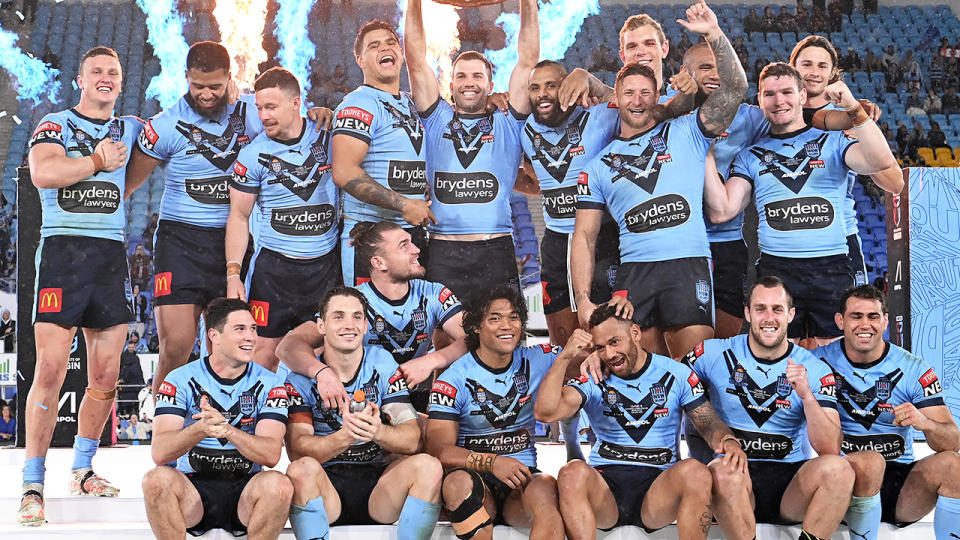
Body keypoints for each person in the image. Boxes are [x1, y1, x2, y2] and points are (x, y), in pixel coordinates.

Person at [572, 0, 747, 359]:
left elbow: (735, 89)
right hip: (633, 272)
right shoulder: (597, 166)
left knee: (699, 376)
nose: (637, 101)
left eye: (645, 93)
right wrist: (584, 299)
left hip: (689, 266)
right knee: (638, 374)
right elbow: (584, 237)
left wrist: (714, 34)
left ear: (657, 97)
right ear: (614, 99)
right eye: (628, 93)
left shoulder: (689, 129)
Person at [20, 46, 144, 526]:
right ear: (80, 80)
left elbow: (161, 146)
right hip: (62, 253)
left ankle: (83, 468)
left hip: (110, 255)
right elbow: (43, 172)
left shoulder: (130, 128)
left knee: (107, 375)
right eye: (96, 71)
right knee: (50, 368)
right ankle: (33, 482)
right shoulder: (55, 123)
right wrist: (94, 161)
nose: (105, 78)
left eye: (113, 71)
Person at [704, 66, 900, 348]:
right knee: (780, 360)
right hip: (778, 270)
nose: (778, 101)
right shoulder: (749, 155)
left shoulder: (833, 140)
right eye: (769, 94)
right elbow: (722, 211)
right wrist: (706, 152)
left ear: (802, 96)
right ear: (760, 100)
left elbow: (880, 163)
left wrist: (854, 109)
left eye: (786, 92)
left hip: (831, 266)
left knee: (835, 358)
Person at [535, 304, 753, 539]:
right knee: (571, 472)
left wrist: (727, 440)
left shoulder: (676, 374)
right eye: (600, 347)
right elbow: (545, 413)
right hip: (606, 490)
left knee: (696, 472)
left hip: (658, 490)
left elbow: (708, 423)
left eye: (615, 342)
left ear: (635, 334)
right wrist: (565, 357)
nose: (609, 354)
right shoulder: (594, 376)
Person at [125, 41, 265, 400]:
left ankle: (223, 431)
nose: (206, 94)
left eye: (215, 87)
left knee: (230, 350)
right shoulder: (165, 125)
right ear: (186, 77)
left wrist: (319, 113)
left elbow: (297, 128)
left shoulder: (255, 114)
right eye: (198, 86)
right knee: (177, 346)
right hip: (180, 241)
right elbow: (127, 185)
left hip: (235, 241)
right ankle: (164, 437)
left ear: (229, 78)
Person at [682, 276, 855, 540]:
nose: (769, 318)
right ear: (748, 313)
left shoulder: (815, 368)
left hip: (791, 486)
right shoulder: (712, 353)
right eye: (760, 309)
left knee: (840, 469)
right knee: (723, 470)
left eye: (777, 309)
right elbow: (659, 377)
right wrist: (600, 361)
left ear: (790, 315)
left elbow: (830, 449)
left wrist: (807, 396)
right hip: (734, 481)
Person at [283, 287, 443, 540]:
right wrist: (345, 436)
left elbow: (412, 439)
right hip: (325, 488)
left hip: (378, 489)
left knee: (428, 466)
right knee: (301, 470)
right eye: (339, 317)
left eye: (357, 317)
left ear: (367, 325)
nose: (350, 325)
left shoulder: (382, 363)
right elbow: (297, 451)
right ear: (321, 326)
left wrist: (377, 431)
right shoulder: (300, 379)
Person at [405, 0, 539, 299]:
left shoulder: (508, 121)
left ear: (491, 84)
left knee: (502, 338)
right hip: (443, 250)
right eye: (462, 76)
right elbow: (415, 60)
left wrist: (527, 2)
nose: (469, 83)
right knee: (442, 339)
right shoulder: (436, 116)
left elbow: (528, 61)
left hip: (496, 249)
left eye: (478, 76)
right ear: (450, 85)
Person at [277, 220, 467, 418]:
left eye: (411, 242)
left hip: (406, 397)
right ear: (379, 263)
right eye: (404, 245)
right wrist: (322, 373)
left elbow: (472, 338)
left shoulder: (434, 293)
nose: (416, 250)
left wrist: (431, 361)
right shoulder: (352, 302)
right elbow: (287, 347)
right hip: (358, 402)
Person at [814, 285, 960, 540]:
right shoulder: (816, 363)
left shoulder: (913, 368)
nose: (865, 325)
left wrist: (925, 423)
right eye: (856, 316)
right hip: (844, 482)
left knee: (953, 465)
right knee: (870, 462)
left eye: (872, 317)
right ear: (840, 321)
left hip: (900, 487)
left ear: (884, 321)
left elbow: (952, 441)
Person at [141, 298, 293, 539]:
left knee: (279, 485)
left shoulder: (271, 383)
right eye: (240, 329)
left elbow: (271, 455)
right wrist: (200, 429)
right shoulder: (178, 379)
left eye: (253, 329)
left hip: (246, 489)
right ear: (214, 335)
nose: (251, 337)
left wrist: (227, 430)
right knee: (155, 480)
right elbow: (160, 452)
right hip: (193, 489)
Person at [226, 67, 340, 372]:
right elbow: (238, 216)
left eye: (271, 107)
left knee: (321, 353)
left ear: (296, 103)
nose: (263, 116)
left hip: (325, 268)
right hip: (274, 271)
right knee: (264, 354)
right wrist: (233, 274)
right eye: (260, 108)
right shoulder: (252, 154)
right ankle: (260, 419)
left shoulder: (330, 134)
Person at [426, 285, 564, 539]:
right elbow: (438, 450)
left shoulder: (539, 359)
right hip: (475, 481)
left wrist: (580, 354)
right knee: (456, 484)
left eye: (514, 317)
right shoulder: (453, 378)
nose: (507, 326)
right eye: (495, 318)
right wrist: (492, 462)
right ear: (476, 326)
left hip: (522, 484)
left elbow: (588, 359)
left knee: (546, 485)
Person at [789, 36, 903, 295]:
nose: (814, 72)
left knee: (841, 330)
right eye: (806, 64)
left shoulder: (851, 117)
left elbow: (895, 182)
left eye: (822, 66)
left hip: (838, 242)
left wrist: (859, 121)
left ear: (832, 73)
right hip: (784, 244)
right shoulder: (775, 112)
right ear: (792, 68)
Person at [331, 20, 433, 287]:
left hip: (410, 234)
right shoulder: (358, 102)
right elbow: (343, 172)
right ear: (360, 59)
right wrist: (403, 204)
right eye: (373, 46)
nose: (384, 48)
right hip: (370, 237)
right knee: (368, 321)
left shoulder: (410, 102)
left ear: (400, 53)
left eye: (390, 43)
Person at [683, 43, 769, 339]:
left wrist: (849, 116)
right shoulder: (668, 111)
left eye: (721, 67)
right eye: (705, 67)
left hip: (727, 243)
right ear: (685, 73)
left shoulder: (751, 118)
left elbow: (796, 118)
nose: (715, 74)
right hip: (677, 247)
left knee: (724, 339)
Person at [118, 335, 145, 416]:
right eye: (129, 347)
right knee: (126, 403)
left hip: (136, 384)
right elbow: (122, 369)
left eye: (132, 347)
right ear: (127, 347)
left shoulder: (136, 357)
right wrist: (121, 379)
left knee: (135, 402)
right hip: (127, 384)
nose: (131, 348)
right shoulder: (123, 357)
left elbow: (139, 370)